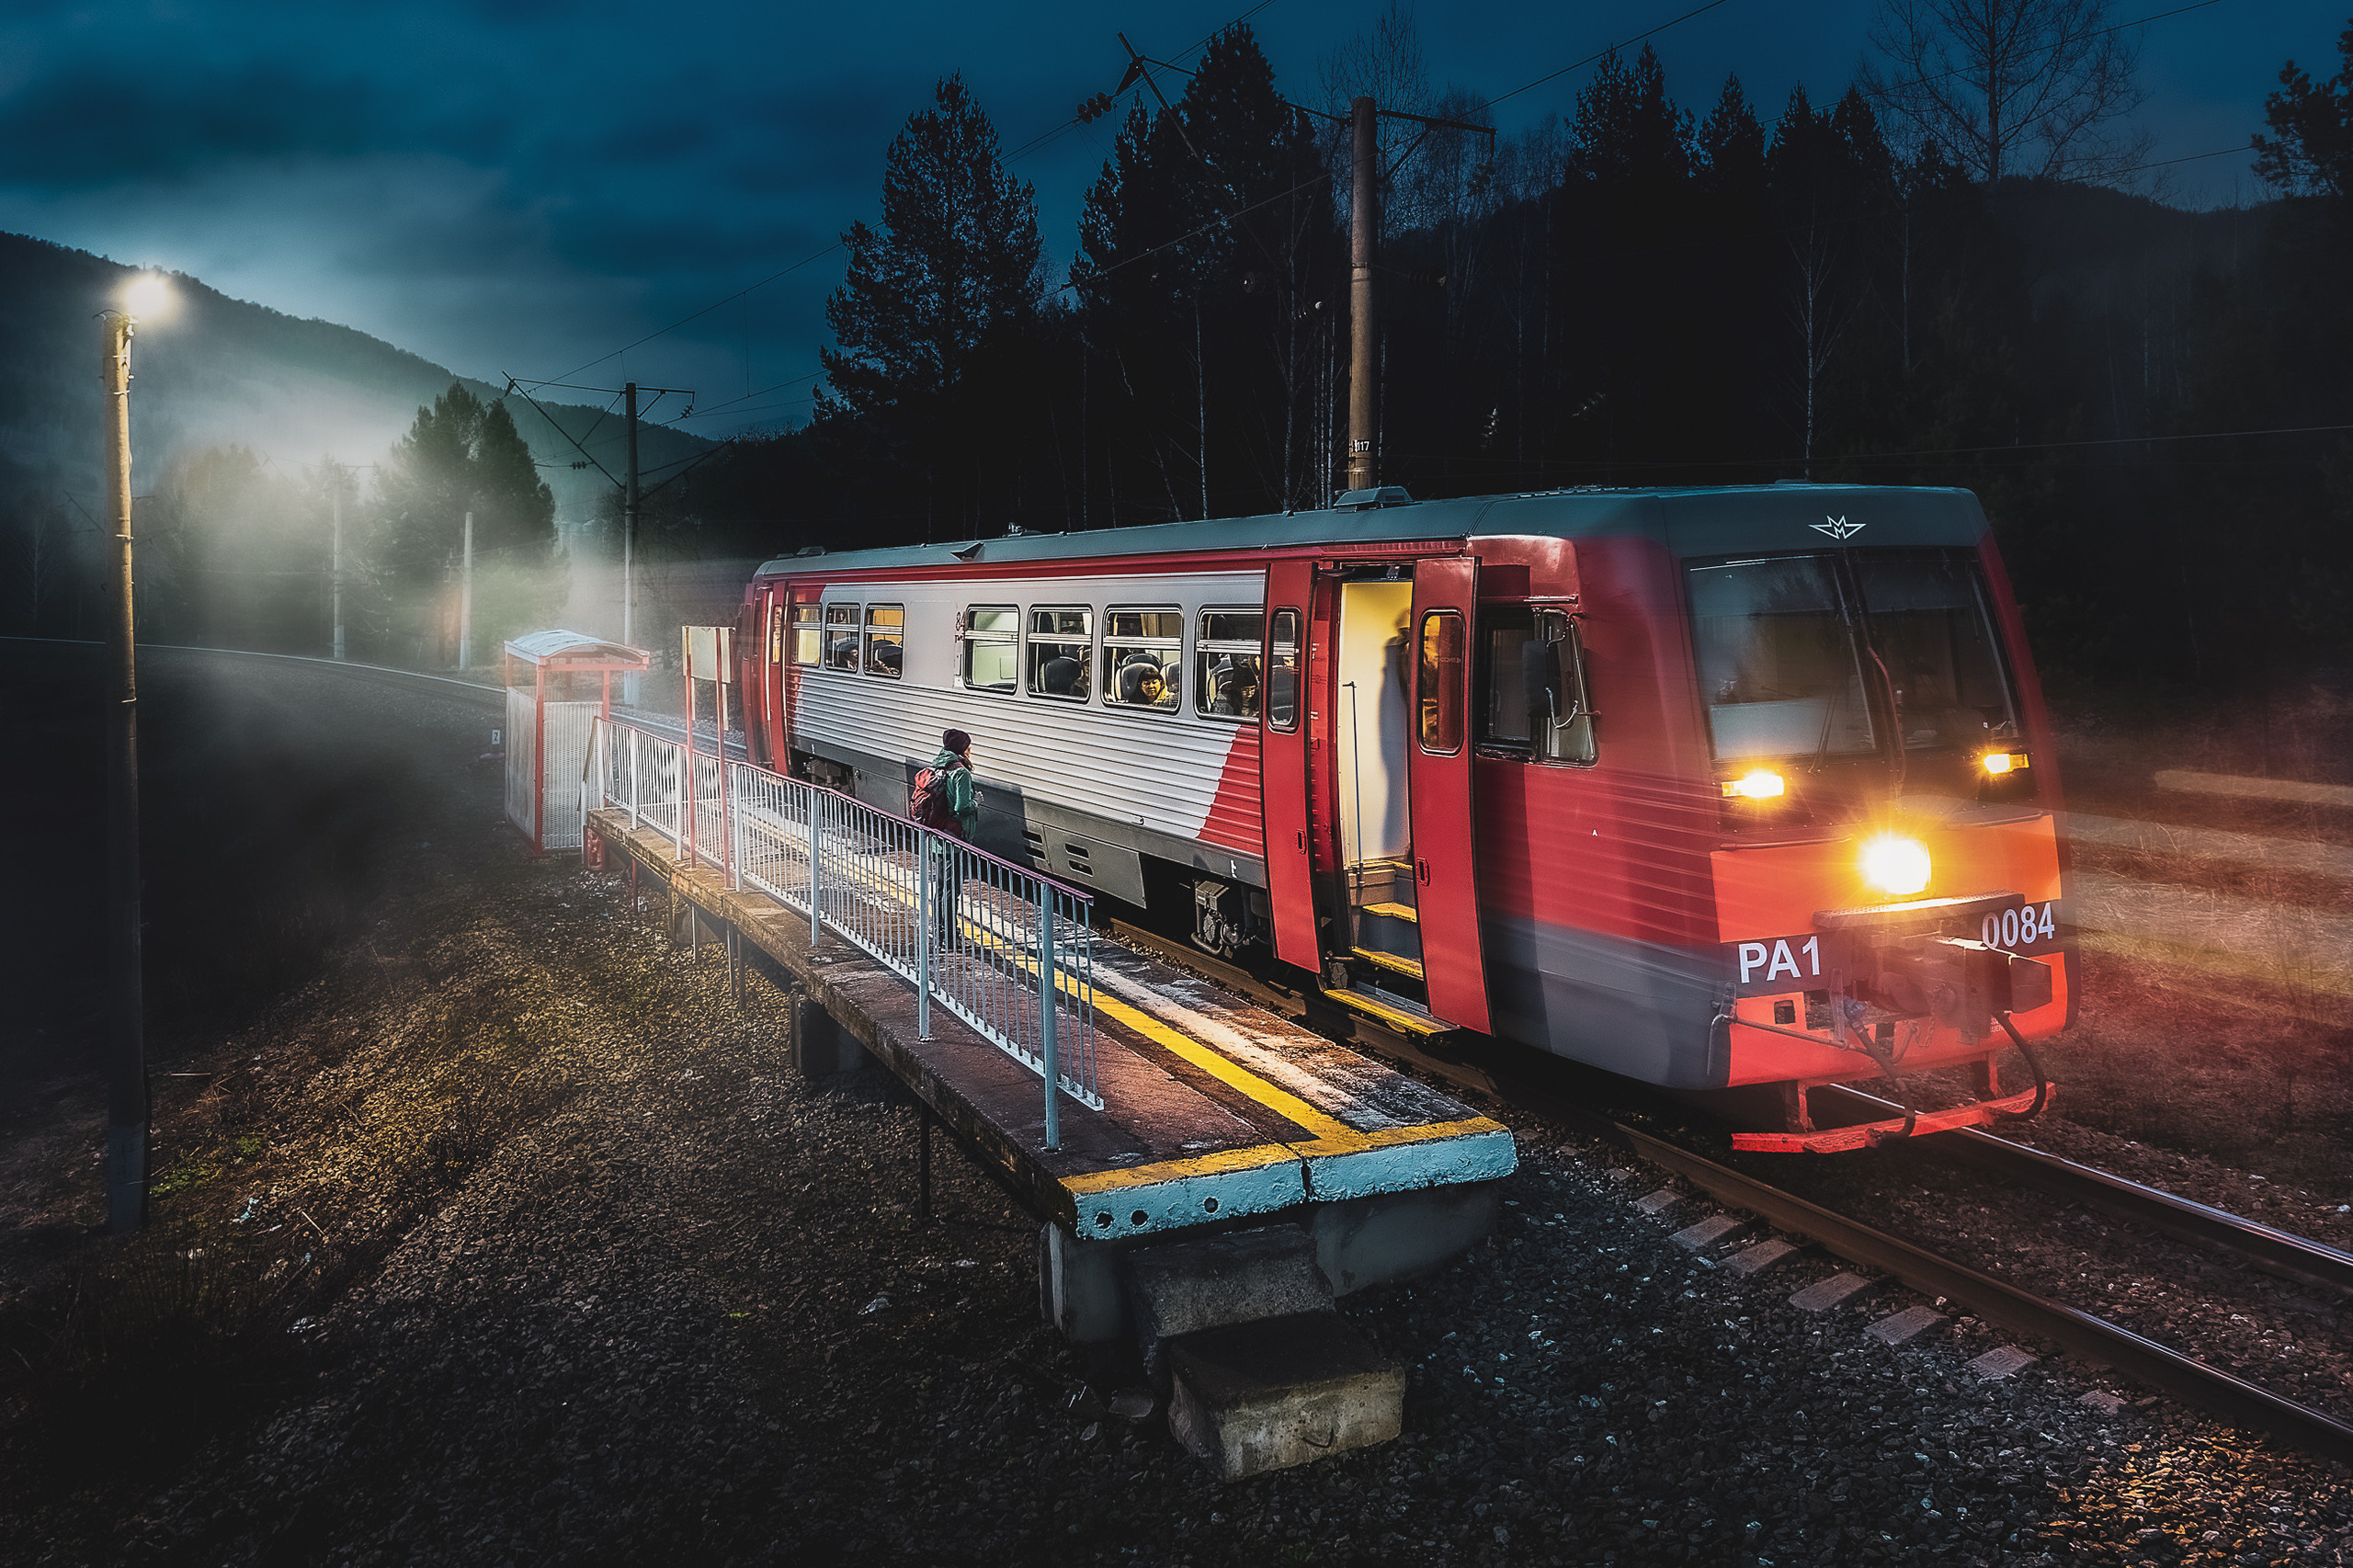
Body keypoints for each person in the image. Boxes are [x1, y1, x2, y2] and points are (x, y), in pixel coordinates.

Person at [914, 728, 980, 944]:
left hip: (938, 838)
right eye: (968, 745)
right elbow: (961, 807)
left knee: (941, 887)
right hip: (954, 840)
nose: (970, 749)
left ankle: (940, 930)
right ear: (961, 748)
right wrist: (976, 801)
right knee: (952, 890)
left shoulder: (938, 767)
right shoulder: (960, 773)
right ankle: (950, 935)